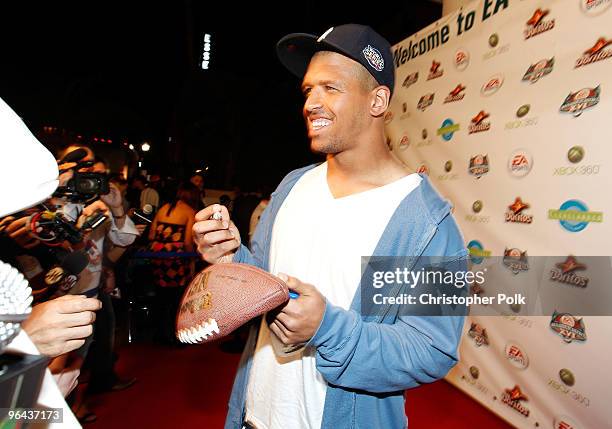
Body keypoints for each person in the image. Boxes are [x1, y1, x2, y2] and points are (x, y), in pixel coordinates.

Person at [193, 24, 467, 429]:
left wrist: (327, 329)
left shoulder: (427, 222)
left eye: (331, 88)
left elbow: (431, 349)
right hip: (253, 417)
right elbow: (266, 286)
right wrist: (232, 255)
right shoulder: (293, 185)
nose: (311, 103)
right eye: (308, 90)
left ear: (377, 100)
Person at [148, 182, 199, 344]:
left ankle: (158, 334)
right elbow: (188, 243)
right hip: (177, 260)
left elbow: (151, 236)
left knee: (161, 296)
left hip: (157, 256)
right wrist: (192, 263)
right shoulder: (190, 212)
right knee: (177, 299)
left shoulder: (164, 208)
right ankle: (174, 336)